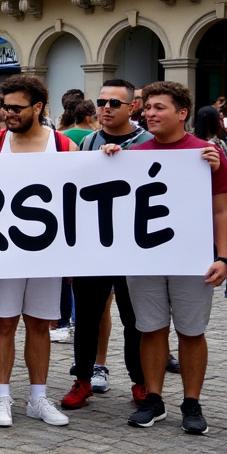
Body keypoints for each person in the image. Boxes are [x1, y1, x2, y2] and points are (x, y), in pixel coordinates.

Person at [117, 80, 227, 434]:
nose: (150, 114)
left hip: (191, 258)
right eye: (147, 108)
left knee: (191, 331)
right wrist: (108, 162)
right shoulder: (133, 155)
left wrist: (223, 257)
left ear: (182, 113)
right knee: (149, 329)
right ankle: (154, 399)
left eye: (159, 108)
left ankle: (191, 403)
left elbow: (221, 210)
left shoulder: (206, 154)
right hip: (146, 258)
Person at [0, 75, 74, 429]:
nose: (9, 113)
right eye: (5, 106)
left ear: (38, 107)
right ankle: (2, 395)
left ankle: (38, 397)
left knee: (40, 324)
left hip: (47, 252)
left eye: (16, 108)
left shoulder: (64, 145)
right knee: (4, 322)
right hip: (4, 250)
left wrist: (111, 157)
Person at [61, 79, 153, 412]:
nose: (107, 108)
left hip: (134, 248)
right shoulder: (87, 142)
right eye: (102, 102)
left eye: (115, 103)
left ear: (133, 107)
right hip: (94, 247)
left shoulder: (148, 143)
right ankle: (83, 378)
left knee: (135, 319)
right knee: (87, 318)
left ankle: (141, 382)